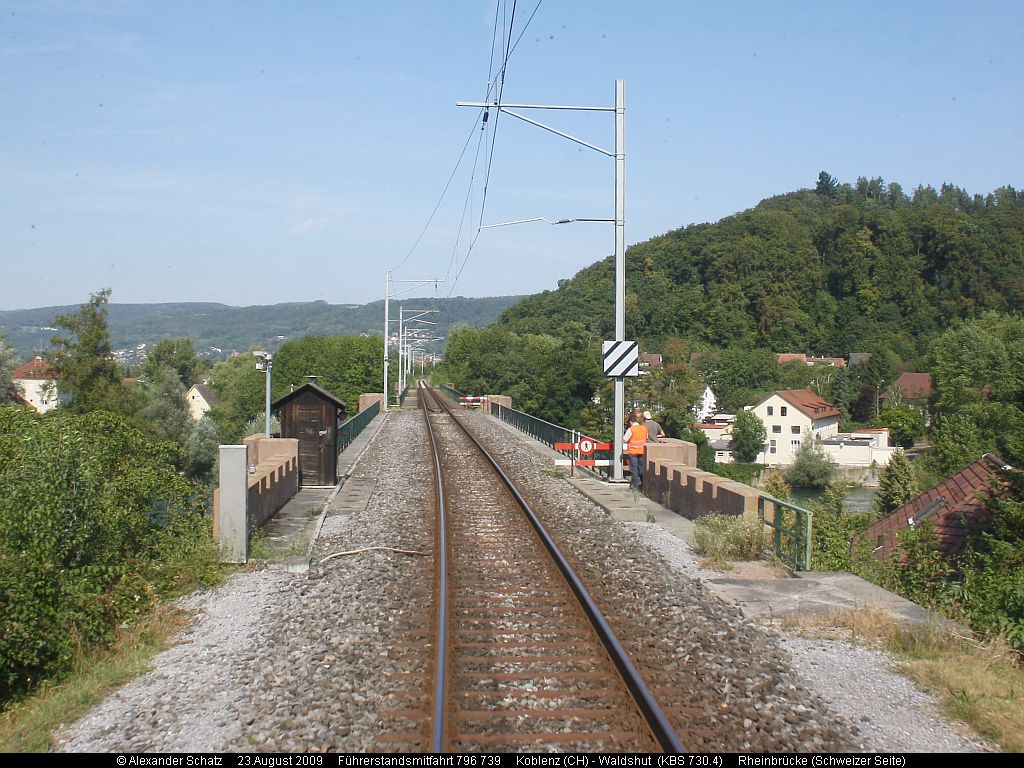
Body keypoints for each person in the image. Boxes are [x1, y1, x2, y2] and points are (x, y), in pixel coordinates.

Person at [622, 414, 649, 490]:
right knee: (641, 469)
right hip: (642, 451)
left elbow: (624, 439)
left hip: (633, 452)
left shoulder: (631, 429)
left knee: (634, 470)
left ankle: (634, 487)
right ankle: (644, 486)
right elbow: (646, 438)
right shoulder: (644, 428)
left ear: (630, 422)